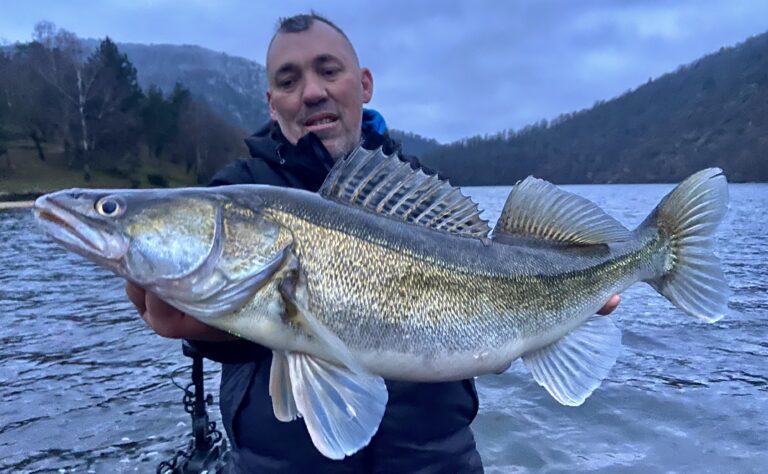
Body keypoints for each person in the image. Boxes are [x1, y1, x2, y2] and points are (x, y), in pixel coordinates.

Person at [126, 12, 621, 473]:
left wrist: (568, 297)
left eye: (328, 70)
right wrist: (212, 330)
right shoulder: (235, 190)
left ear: (363, 84)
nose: (311, 91)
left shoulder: (418, 187)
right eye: (288, 80)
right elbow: (227, 314)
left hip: (436, 456)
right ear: (271, 103)